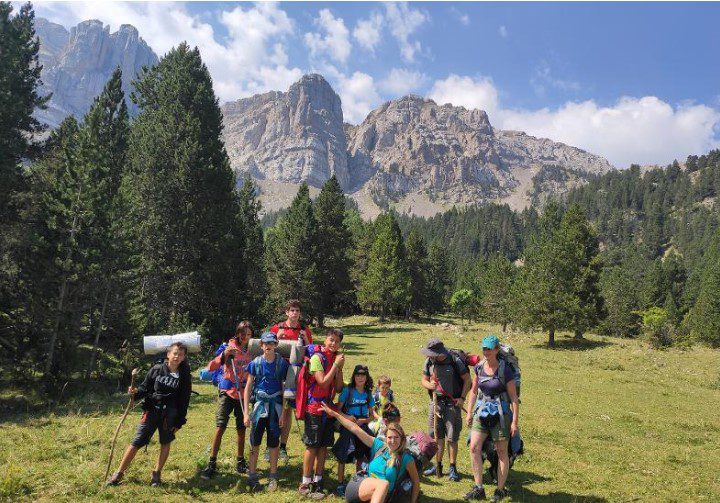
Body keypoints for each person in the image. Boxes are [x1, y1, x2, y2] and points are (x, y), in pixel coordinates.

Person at [107, 342, 192, 487]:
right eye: (175, 353)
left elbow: (184, 399)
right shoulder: (157, 369)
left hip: (169, 415)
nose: (177, 356)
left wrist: (179, 422)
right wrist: (135, 393)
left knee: (165, 442)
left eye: (181, 354)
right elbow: (144, 388)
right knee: (137, 442)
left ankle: (157, 474)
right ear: (168, 354)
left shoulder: (184, 376)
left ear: (184, 358)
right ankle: (119, 473)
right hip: (152, 410)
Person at [320, 402, 420, 503]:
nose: (393, 441)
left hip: (381, 497)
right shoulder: (379, 446)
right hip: (360, 487)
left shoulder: (406, 458)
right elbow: (354, 428)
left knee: (383, 485)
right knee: (383, 484)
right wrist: (335, 414)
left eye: (396, 437)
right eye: (390, 437)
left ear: (402, 439)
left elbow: (416, 482)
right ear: (386, 438)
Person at [464, 335, 519, 502]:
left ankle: (500, 490)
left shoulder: (505, 370)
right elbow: (474, 391)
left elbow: (514, 398)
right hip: (481, 413)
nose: (486, 351)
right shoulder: (479, 367)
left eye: (489, 348)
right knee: (474, 447)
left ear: (496, 350)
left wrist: (515, 422)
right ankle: (478, 488)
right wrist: (469, 412)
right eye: (484, 348)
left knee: (502, 451)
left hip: (501, 414)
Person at [200, 321, 253, 479]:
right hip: (227, 392)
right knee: (220, 426)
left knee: (241, 428)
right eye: (243, 334)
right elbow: (210, 367)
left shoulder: (252, 350)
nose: (245, 337)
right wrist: (223, 356)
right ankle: (212, 463)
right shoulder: (228, 348)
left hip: (243, 393)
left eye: (249, 334)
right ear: (237, 334)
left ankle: (240, 461)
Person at [299, 328, 345, 499]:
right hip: (314, 408)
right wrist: (335, 365)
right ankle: (305, 482)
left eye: (337, 341)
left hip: (328, 408)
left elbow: (339, 387)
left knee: (324, 445)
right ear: (325, 340)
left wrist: (339, 368)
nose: (333, 343)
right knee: (312, 445)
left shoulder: (335, 359)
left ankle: (318, 480)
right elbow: (323, 383)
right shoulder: (317, 358)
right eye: (331, 339)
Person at [242, 331, 290, 492]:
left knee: (273, 441)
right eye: (266, 344)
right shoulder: (255, 363)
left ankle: (273, 475)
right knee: (254, 441)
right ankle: (252, 474)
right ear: (261, 345)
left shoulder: (281, 363)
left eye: (271, 343)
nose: (268, 346)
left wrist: (283, 412)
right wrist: (246, 413)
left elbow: (285, 388)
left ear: (276, 345)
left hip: (275, 406)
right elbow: (248, 386)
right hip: (259, 406)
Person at [420, 338, 471, 482]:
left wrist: (462, 398)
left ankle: (453, 467)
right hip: (435, 403)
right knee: (437, 436)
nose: (429, 356)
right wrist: (431, 386)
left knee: (452, 437)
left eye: (431, 353)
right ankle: (438, 465)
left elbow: (468, 380)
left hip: (452, 404)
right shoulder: (429, 361)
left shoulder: (455, 360)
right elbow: (423, 380)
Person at [271, 299, 313, 461]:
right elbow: (266, 349)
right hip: (277, 371)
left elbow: (310, 352)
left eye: (297, 311)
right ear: (286, 312)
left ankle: (282, 446)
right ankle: (271, 445)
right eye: (292, 310)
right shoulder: (277, 328)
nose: (294, 313)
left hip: (295, 373)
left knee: (287, 409)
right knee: (275, 409)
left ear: (299, 313)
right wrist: (277, 338)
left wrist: (307, 340)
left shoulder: (304, 330)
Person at [333, 365, 377, 497]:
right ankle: (340, 484)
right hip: (347, 427)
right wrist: (348, 417)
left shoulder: (368, 394)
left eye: (363, 375)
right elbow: (338, 410)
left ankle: (358, 483)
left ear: (367, 377)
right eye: (358, 375)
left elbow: (371, 416)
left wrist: (363, 421)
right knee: (343, 456)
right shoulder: (347, 391)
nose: (360, 377)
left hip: (362, 427)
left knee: (361, 455)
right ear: (354, 376)